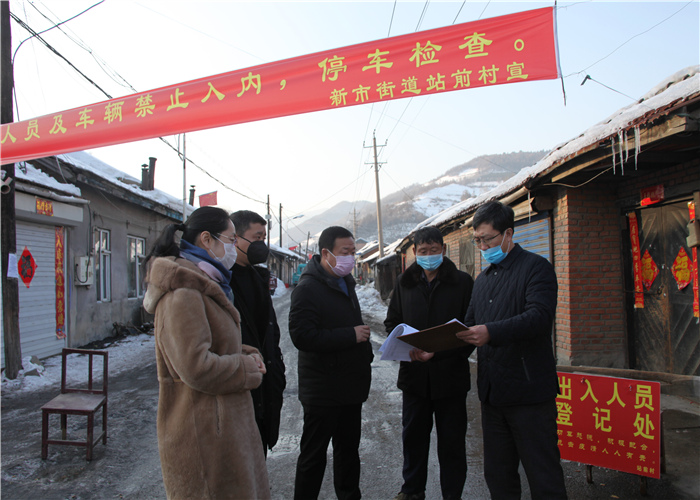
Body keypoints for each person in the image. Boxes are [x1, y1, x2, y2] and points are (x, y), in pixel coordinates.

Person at [143, 206, 270, 499]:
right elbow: (195, 366)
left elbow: (213, 343)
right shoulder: (183, 293)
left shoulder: (208, 285)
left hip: (222, 432)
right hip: (204, 438)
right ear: (206, 239)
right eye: (231, 239)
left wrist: (248, 353)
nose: (234, 247)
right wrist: (246, 368)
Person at [457, 201, 567, 500]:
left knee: (543, 475)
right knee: (499, 475)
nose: (482, 247)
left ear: (508, 233)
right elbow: (468, 327)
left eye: (487, 239)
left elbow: (539, 317)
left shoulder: (536, 268)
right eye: (477, 240)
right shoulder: (482, 280)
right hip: (493, 394)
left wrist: (491, 332)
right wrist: (434, 348)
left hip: (530, 393)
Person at [385, 226, 474, 500]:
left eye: (433, 250)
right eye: (423, 251)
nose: (428, 255)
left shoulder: (462, 282)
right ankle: (412, 491)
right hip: (414, 378)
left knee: (452, 443)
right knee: (413, 439)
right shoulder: (404, 282)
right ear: (414, 252)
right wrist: (407, 346)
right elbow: (392, 321)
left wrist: (440, 352)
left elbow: (471, 328)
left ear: (443, 250)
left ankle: (452, 494)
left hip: (451, 378)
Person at [288, 226, 373, 500]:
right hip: (322, 391)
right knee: (313, 456)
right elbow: (302, 336)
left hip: (350, 387)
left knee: (348, 453)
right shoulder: (307, 289)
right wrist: (351, 335)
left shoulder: (345, 281)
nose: (351, 258)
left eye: (353, 252)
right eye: (345, 252)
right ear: (326, 253)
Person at [229, 210, 286, 455]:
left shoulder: (258, 278)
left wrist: (277, 372)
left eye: (264, 238)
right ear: (235, 239)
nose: (262, 244)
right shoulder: (222, 282)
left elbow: (271, 334)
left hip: (265, 387)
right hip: (240, 389)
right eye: (257, 237)